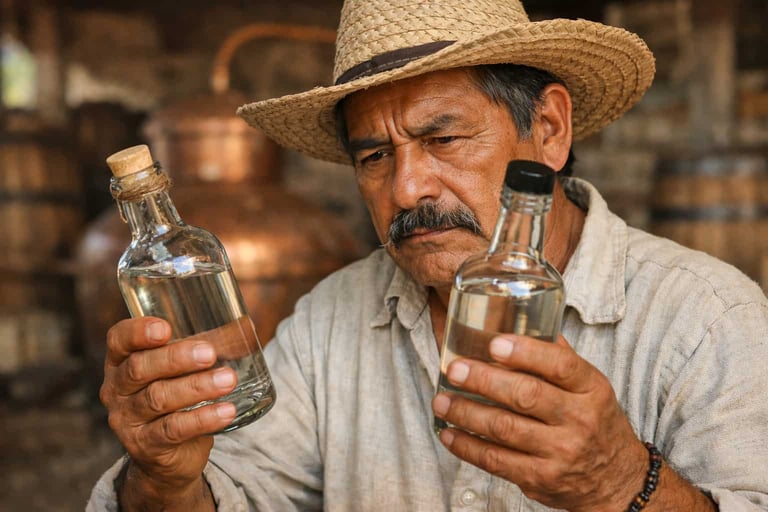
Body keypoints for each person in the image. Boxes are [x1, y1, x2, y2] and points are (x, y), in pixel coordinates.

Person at [88, 0, 768, 510]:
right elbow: (234, 495)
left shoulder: (705, 319)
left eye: (443, 140)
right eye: (376, 156)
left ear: (550, 130)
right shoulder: (332, 321)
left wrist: (621, 481)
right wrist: (162, 478)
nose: (408, 187)